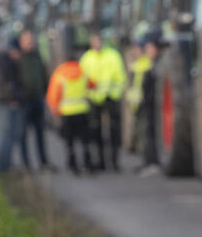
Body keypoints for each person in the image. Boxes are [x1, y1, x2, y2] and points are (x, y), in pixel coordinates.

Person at [80, 32, 127, 172]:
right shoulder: (87, 58)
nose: (97, 44)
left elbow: (120, 76)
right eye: (95, 41)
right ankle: (100, 162)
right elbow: (83, 78)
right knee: (96, 132)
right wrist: (87, 95)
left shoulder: (113, 55)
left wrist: (115, 93)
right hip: (94, 99)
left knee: (113, 131)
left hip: (111, 97)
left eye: (99, 41)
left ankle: (114, 162)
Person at [46, 48, 97, 175]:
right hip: (82, 110)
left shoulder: (60, 72)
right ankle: (88, 163)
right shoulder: (82, 70)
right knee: (85, 140)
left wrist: (54, 109)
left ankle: (73, 164)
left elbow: (53, 94)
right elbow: (92, 84)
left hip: (67, 112)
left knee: (70, 141)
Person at [17, 30, 56, 172]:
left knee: (40, 134)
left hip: (38, 100)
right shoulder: (18, 59)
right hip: (24, 102)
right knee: (23, 134)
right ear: (21, 42)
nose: (30, 43)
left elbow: (44, 76)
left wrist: (45, 92)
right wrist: (18, 96)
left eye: (31, 40)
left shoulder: (38, 58)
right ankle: (26, 164)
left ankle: (43, 162)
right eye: (27, 41)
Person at [0, 38, 25, 173]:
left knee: (11, 134)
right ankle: (4, 166)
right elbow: (7, 84)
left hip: (5, 102)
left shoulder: (6, 61)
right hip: (5, 103)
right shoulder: (5, 63)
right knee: (7, 134)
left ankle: (7, 164)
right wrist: (13, 99)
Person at [132, 34, 163, 177]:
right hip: (144, 105)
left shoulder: (152, 64)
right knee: (146, 135)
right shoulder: (145, 63)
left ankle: (153, 163)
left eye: (149, 48)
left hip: (151, 105)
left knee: (150, 135)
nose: (146, 50)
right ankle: (148, 162)